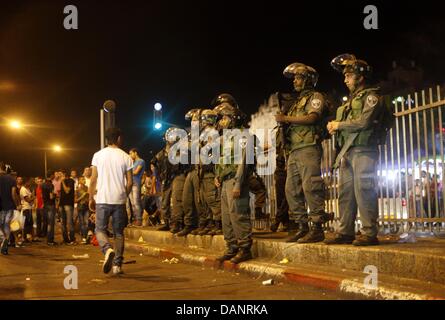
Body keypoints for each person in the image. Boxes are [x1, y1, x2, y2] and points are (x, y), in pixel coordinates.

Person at [326, 53, 382, 246]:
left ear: (361, 77)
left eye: (349, 75)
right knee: (346, 192)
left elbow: (364, 122)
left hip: (365, 150)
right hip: (348, 152)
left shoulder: (372, 96)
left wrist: (338, 125)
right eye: (345, 76)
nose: (345, 79)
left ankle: (369, 233)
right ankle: (345, 232)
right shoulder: (350, 100)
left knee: (364, 189)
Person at [275, 62, 330, 243]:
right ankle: (302, 226)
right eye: (295, 78)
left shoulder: (316, 96)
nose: (295, 81)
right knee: (291, 190)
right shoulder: (296, 102)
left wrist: (286, 118)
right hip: (294, 150)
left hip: (308, 147)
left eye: (299, 77)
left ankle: (317, 227)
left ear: (308, 80)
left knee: (311, 187)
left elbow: (313, 117)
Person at [215, 98, 254, 264]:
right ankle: (231, 247)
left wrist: (238, 183)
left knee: (238, 214)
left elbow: (244, 162)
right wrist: (218, 176)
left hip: (235, 181)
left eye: (225, 118)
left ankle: (245, 248)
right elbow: (222, 159)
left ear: (233, 118)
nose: (222, 121)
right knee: (227, 217)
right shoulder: (227, 138)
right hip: (225, 182)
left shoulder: (245, 135)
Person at [89, 127, 133, 275]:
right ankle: (117, 266)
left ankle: (107, 249)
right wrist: (123, 195)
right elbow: (130, 182)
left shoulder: (98, 155)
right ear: (119, 138)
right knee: (119, 233)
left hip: (102, 199)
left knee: (100, 229)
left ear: (106, 139)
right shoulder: (126, 156)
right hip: (119, 200)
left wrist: (90, 198)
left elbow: (93, 179)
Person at [0, 162, 20, 255]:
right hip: (8, 206)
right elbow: (13, 194)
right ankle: (5, 241)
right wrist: (17, 204)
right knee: (7, 225)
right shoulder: (11, 179)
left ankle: (3, 239)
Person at [129, 148, 146, 227]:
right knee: (132, 203)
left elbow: (136, 172)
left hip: (136, 183)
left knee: (136, 202)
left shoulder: (141, 161)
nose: (130, 155)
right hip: (130, 183)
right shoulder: (133, 163)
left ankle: (139, 219)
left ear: (135, 153)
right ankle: (136, 219)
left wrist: (128, 172)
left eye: (131, 153)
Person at [60, 170, 76, 244]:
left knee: (69, 222)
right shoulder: (61, 182)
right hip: (62, 204)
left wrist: (63, 182)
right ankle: (65, 239)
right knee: (63, 223)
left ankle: (72, 239)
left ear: (64, 174)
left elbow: (67, 191)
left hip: (68, 204)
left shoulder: (71, 181)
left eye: (60, 174)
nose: (59, 176)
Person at [42, 170, 57, 246]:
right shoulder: (50, 185)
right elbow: (51, 197)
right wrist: (55, 195)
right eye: (53, 175)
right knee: (51, 224)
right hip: (51, 205)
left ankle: (48, 240)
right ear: (51, 176)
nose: (54, 176)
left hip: (45, 205)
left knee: (47, 223)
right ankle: (50, 240)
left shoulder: (43, 184)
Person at [20, 178, 35, 242]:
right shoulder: (23, 189)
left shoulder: (27, 189)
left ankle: (31, 237)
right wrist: (33, 197)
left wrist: (32, 196)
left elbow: (30, 197)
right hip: (25, 208)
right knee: (25, 224)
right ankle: (24, 238)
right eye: (29, 183)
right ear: (26, 182)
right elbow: (28, 200)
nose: (30, 184)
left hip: (29, 208)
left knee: (30, 224)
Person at [76, 176, 90, 244]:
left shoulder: (87, 188)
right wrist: (83, 196)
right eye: (82, 179)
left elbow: (88, 197)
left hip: (86, 207)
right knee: (82, 223)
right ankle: (84, 237)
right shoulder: (77, 189)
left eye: (84, 179)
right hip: (80, 208)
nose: (84, 180)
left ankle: (86, 237)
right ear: (79, 181)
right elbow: (75, 200)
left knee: (86, 222)